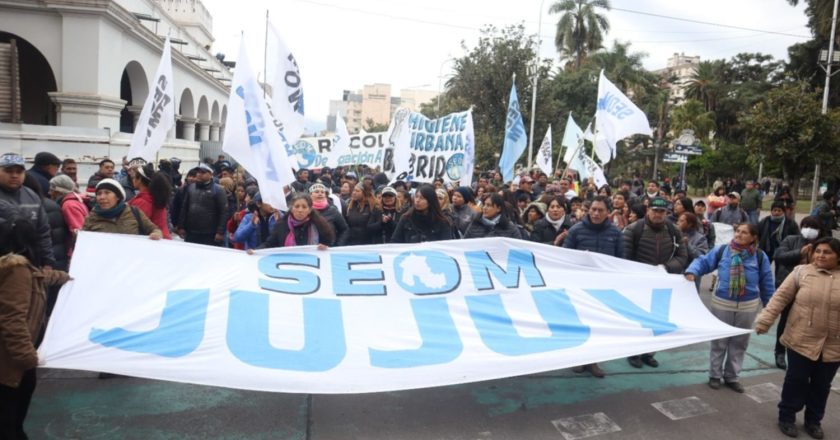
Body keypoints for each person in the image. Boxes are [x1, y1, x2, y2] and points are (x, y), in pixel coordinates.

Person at [754, 237, 840, 439]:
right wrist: (764, 321)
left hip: (833, 344)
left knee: (821, 385)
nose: (820, 255)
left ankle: (813, 421)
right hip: (801, 337)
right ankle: (787, 417)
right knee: (796, 380)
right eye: (818, 251)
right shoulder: (801, 272)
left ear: (838, 256)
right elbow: (780, 298)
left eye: (827, 252)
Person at [0, 201, 70, 440]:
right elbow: (12, 319)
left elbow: (39, 277)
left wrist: (64, 277)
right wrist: (27, 357)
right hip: (10, 362)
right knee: (9, 420)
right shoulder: (16, 271)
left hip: (16, 359)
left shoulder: (22, 268)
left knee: (15, 416)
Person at [685, 223, 773, 393]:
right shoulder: (722, 251)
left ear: (753, 237)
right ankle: (715, 375)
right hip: (722, 302)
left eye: (744, 232)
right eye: (737, 231)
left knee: (739, 342)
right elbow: (702, 262)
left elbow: (767, 282)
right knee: (719, 341)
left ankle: (732, 377)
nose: (739, 235)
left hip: (748, 305)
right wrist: (692, 271)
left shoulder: (760, 257)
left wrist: (769, 307)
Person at [624, 196, 688, 368]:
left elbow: (682, 257)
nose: (658, 214)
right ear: (648, 210)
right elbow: (623, 258)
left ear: (667, 213)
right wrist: (642, 273)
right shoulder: (633, 229)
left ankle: (650, 352)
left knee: (659, 320)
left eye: (662, 211)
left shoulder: (674, 231)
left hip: (663, 284)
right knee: (638, 320)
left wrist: (666, 268)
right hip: (639, 285)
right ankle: (634, 353)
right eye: (655, 210)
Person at [564, 196, 624, 378]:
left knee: (598, 326)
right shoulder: (576, 231)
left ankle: (594, 361)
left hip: (603, 289)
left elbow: (620, 260)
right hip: (580, 287)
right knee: (580, 325)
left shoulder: (615, 233)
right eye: (593, 210)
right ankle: (578, 359)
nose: (596, 213)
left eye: (600, 210)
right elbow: (565, 257)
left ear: (608, 213)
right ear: (588, 210)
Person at [771, 216, 832, 370]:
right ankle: (780, 351)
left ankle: (803, 351)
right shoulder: (791, 240)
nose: (808, 229)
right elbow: (779, 256)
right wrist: (799, 253)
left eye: (812, 226)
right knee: (785, 319)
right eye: (805, 225)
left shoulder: (824, 244)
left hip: (815, 290)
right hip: (792, 286)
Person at [0, 153, 56, 269]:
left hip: (29, 264)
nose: (14, 175)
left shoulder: (32, 196)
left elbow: (43, 232)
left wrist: (47, 262)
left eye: (19, 172)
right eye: (9, 171)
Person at [83, 179, 162, 239]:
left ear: (117, 197)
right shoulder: (91, 218)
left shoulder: (134, 212)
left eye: (107, 193)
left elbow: (154, 229)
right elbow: (83, 244)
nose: (102, 197)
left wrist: (156, 234)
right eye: (99, 194)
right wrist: (77, 236)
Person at [255, 194, 335, 250]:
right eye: (297, 206)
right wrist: (255, 251)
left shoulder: (319, 225)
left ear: (310, 210)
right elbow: (269, 244)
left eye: (304, 207)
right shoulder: (281, 225)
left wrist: (325, 247)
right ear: (292, 209)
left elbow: (329, 242)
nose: (300, 210)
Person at [176, 164, 227, 246]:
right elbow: (184, 208)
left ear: (210, 175)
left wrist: (220, 232)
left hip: (209, 233)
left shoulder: (218, 190)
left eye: (203, 172)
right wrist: (181, 226)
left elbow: (223, 213)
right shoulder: (191, 187)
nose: (199, 174)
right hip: (191, 232)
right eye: (198, 172)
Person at [128, 163, 173, 240]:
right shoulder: (153, 196)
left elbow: (134, 225)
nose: (132, 179)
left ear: (140, 180)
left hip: (154, 240)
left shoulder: (143, 201)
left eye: (134, 177)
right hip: (162, 238)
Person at [48, 174, 89, 257]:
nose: (49, 193)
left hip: (76, 252)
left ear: (58, 190)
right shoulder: (75, 201)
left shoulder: (69, 205)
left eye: (52, 190)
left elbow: (78, 232)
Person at [676, 212, 709, 290]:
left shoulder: (700, 238)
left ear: (690, 224)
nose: (678, 223)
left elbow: (700, 257)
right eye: (678, 220)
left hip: (691, 275)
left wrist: (688, 245)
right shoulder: (675, 234)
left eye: (681, 221)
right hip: (676, 273)